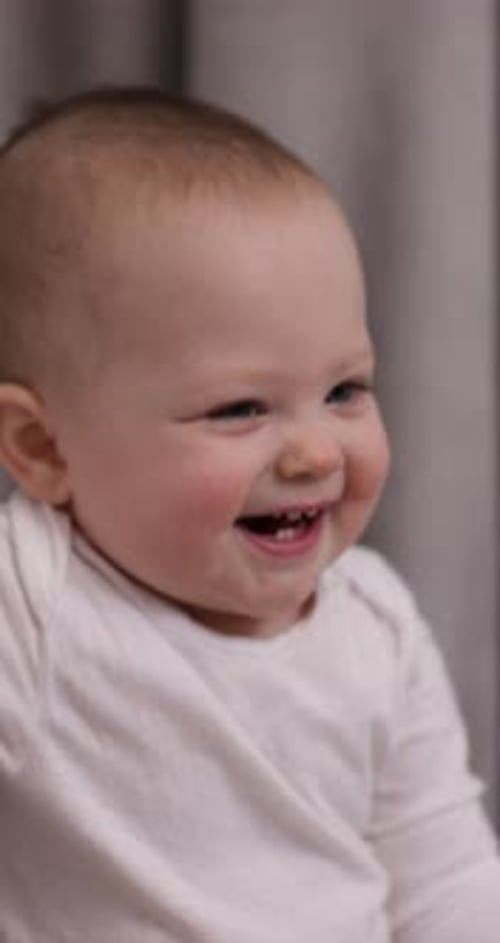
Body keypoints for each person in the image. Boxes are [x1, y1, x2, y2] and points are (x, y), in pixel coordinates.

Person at [0, 88, 498, 943]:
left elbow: (445, 876)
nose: (316, 452)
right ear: (45, 450)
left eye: (345, 390)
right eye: (238, 409)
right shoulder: (35, 602)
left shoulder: (375, 623)